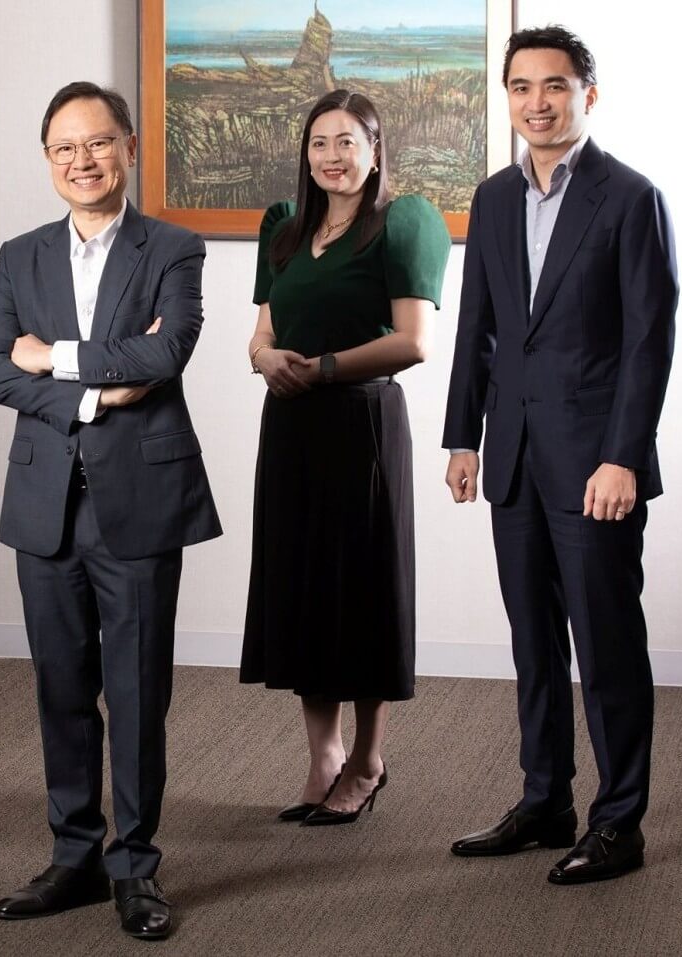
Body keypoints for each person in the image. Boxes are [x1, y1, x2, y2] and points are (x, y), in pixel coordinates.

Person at [0, 81, 219, 940]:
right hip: (45, 500)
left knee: (137, 689)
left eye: (97, 143)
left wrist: (56, 356)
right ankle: (74, 856)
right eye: (63, 148)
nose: (81, 161)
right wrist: (93, 395)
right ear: (48, 159)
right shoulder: (19, 254)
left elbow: (169, 347)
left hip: (142, 500)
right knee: (60, 686)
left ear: (129, 148)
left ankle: (136, 865)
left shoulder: (174, 247)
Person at [444, 26, 676, 884]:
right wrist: (464, 434)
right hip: (512, 456)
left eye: (555, 85)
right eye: (520, 87)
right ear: (505, 98)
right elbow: (481, 325)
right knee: (533, 640)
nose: (537, 102)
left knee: (606, 641)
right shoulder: (496, 196)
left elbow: (649, 343)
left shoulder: (630, 197)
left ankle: (620, 822)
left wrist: (623, 457)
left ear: (588, 94)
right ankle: (545, 800)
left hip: (595, 465)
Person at [240, 90, 450, 826]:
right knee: (303, 589)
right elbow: (260, 335)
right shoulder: (285, 228)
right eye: (320, 142)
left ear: (375, 147)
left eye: (347, 142)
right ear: (306, 152)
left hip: (361, 422)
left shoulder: (405, 221)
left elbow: (413, 342)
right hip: (291, 425)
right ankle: (322, 755)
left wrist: (324, 367)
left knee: (362, 591)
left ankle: (367, 759)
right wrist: (267, 361)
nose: (333, 155)